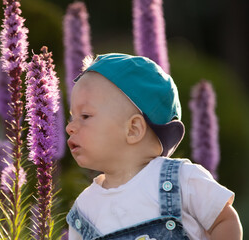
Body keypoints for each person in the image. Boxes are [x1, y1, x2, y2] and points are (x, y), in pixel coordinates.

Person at [65, 53, 242, 240]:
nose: (69, 127)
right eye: (71, 117)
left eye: (85, 116)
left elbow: (224, 221)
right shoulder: (85, 209)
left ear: (133, 129)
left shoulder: (182, 179)